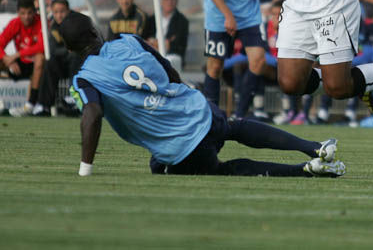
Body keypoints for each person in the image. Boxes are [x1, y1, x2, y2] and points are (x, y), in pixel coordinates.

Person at [62, 11, 345, 177]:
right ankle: (315, 146)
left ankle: (305, 169)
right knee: (233, 127)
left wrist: (85, 168)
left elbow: (93, 112)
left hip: (184, 147)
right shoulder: (130, 40)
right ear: (95, 30)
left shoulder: (85, 78)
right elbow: (168, 68)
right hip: (200, 109)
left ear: (71, 48)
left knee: (203, 169)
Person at [1, 0, 45, 116]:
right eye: (23, 13)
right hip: (20, 64)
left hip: (38, 65)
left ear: (35, 12)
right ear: (18, 13)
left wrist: (17, 54)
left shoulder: (42, 22)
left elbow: (42, 46)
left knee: (40, 58)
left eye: (29, 13)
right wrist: (7, 60)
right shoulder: (15, 23)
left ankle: (30, 104)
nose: (26, 16)